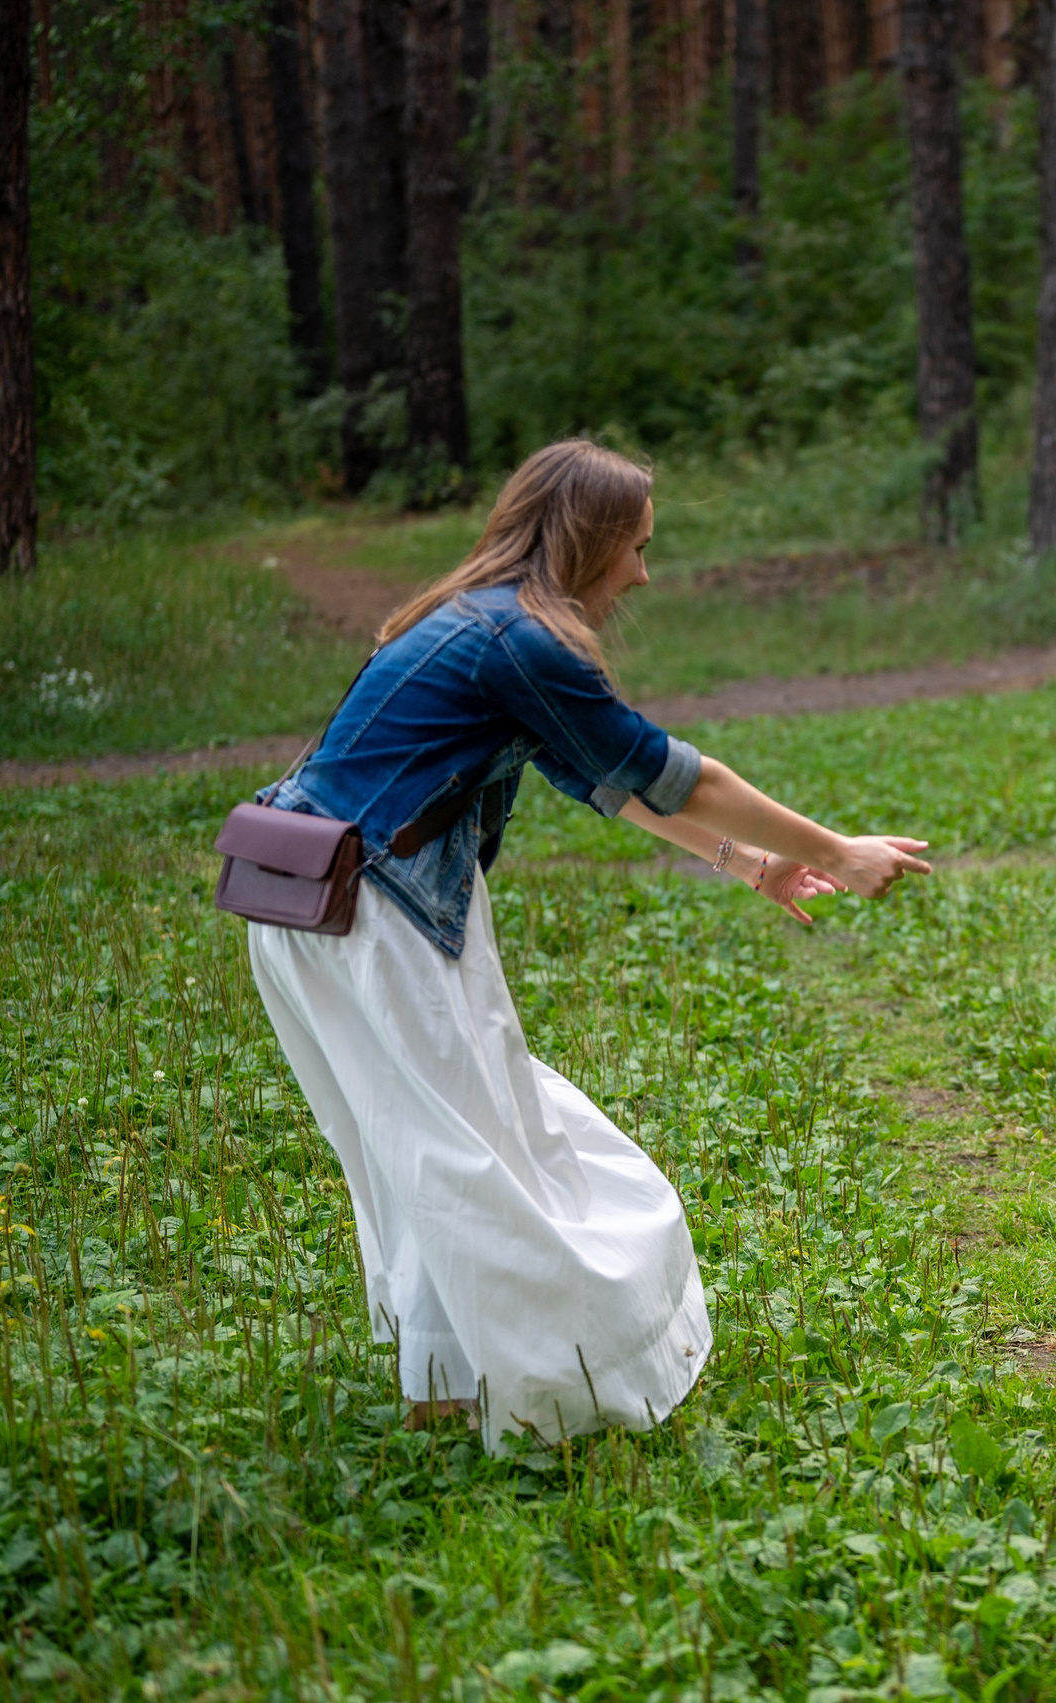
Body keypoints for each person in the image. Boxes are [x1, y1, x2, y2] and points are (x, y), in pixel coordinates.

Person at [245, 439, 930, 1445]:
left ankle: (450, 1383)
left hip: (324, 906)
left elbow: (606, 781)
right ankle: (549, 1399)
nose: (644, 574)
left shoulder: (466, 620)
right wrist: (835, 846)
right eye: (637, 548)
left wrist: (754, 864)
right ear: (591, 540)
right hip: (370, 911)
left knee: (437, 1150)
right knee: (471, 1155)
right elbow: (674, 774)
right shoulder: (520, 641)